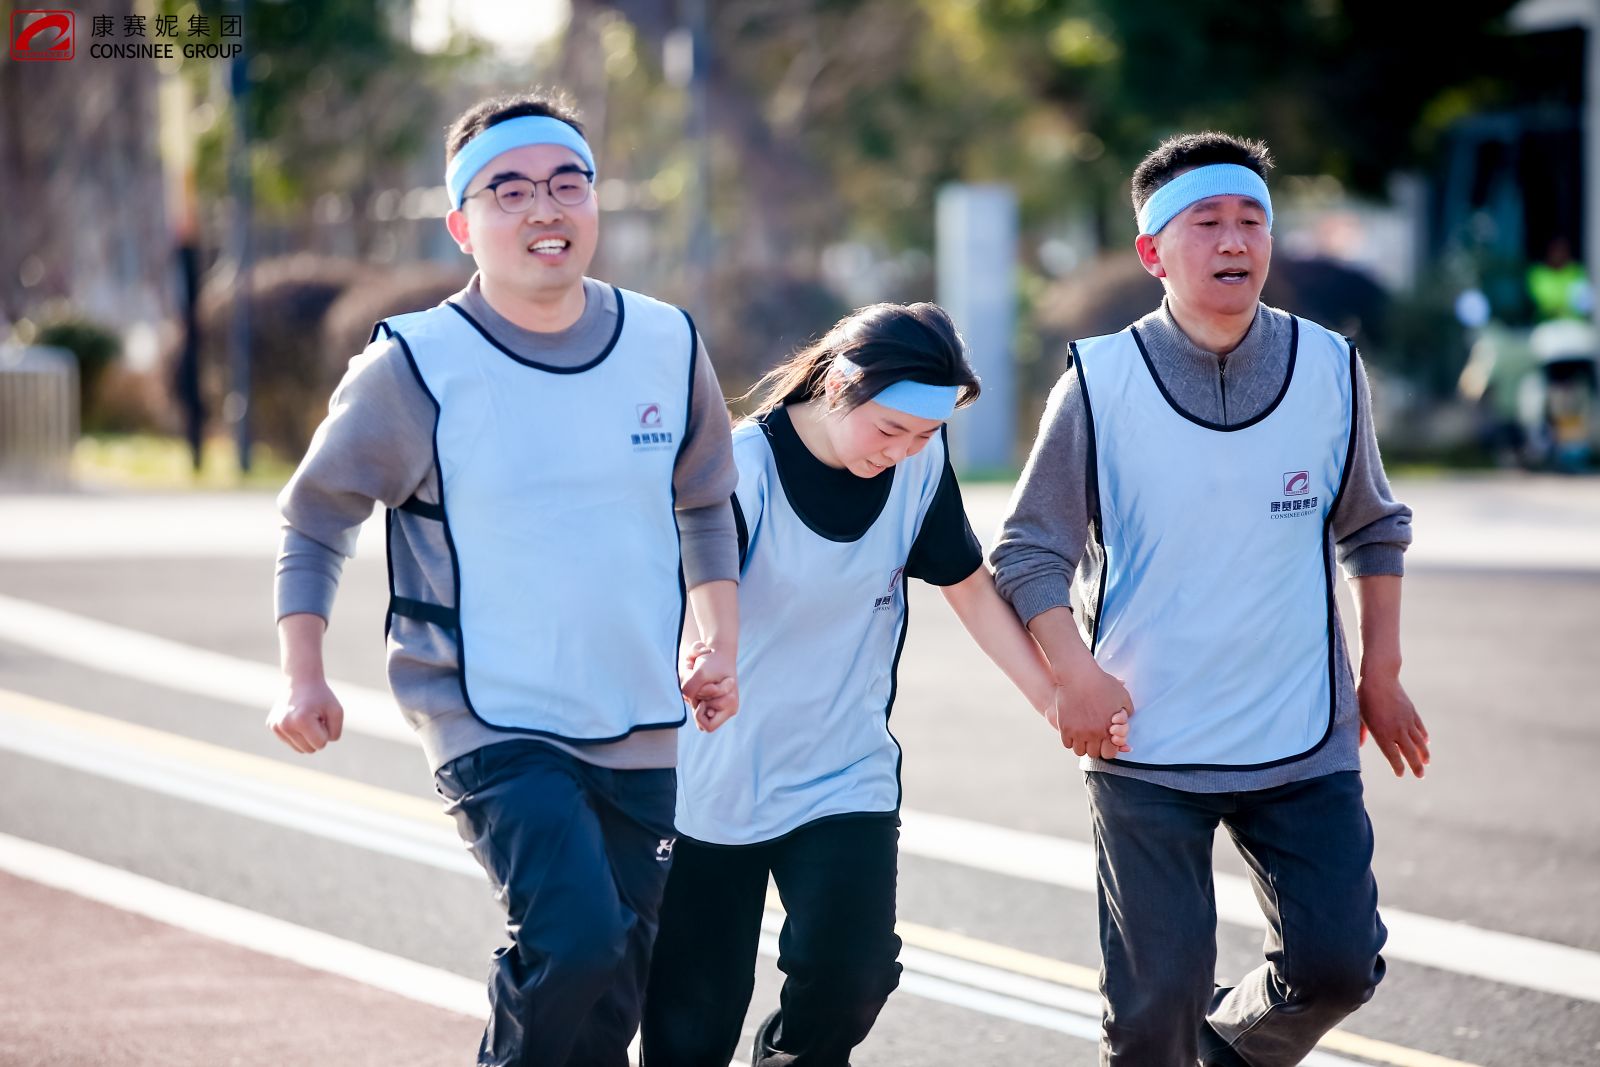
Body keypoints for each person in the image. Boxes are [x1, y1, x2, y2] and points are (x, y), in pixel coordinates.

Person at [266, 90, 741, 1067]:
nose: (544, 209)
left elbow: (705, 503)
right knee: (573, 940)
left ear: (596, 203)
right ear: (462, 222)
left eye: (568, 184)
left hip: (642, 707)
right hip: (489, 711)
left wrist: (714, 637)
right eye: (510, 190)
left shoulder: (666, 340)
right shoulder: (416, 365)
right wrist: (300, 670)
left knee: (620, 983)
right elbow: (318, 513)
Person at [990, 132, 1429, 1067]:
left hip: (1302, 733)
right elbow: (1028, 554)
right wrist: (1073, 675)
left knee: (1339, 964)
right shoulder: (1099, 384)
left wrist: (1379, 672)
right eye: (1208, 222)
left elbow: (1373, 527)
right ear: (1153, 252)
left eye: (1252, 219)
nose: (1236, 239)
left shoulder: (1329, 369)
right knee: (1153, 1014)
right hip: (1146, 743)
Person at [640, 302, 1130, 1067]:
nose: (902, 450)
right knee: (690, 1027)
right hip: (709, 787)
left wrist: (1053, 696)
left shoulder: (917, 469)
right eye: (890, 428)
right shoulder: (744, 469)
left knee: (853, 978)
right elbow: (703, 594)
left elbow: (968, 585)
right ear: (838, 385)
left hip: (843, 774)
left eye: (925, 434)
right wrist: (705, 661)